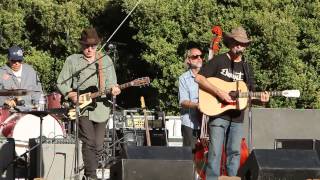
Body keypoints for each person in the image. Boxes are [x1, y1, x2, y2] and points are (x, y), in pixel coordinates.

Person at [195, 26, 269, 179]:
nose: (239, 45)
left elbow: (248, 95)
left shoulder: (246, 68)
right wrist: (219, 92)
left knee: (234, 152)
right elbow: (199, 78)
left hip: (237, 117)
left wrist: (261, 101)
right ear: (230, 43)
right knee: (215, 151)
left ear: (245, 46)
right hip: (218, 114)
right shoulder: (218, 60)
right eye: (236, 42)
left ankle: (232, 178)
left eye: (242, 43)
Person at [57, 27, 121, 180]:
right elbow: (61, 82)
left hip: (102, 108)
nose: (89, 49)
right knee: (89, 141)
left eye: (93, 46)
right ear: (81, 45)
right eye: (86, 46)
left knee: (98, 145)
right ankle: (91, 176)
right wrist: (70, 94)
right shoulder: (72, 60)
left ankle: (89, 170)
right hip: (82, 109)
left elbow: (113, 83)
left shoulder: (105, 60)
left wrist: (115, 89)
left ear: (97, 45)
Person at [0, 45, 43, 111]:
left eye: (19, 60)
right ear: (8, 59)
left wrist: (37, 104)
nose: (17, 63)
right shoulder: (2, 73)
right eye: (14, 61)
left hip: (29, 111)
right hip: (10, 112)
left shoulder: (30, 71)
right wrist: (6, 101)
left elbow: (37, 91)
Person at [178, 47, 203, 149]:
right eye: (195, 56)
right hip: (190, 123)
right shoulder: (183, 78)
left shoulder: (208, 76)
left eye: (201, 56)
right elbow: (182, 101)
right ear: (188, 60)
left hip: (206, 122)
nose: (199, 58)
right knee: (190, 156)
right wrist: (197, 105)